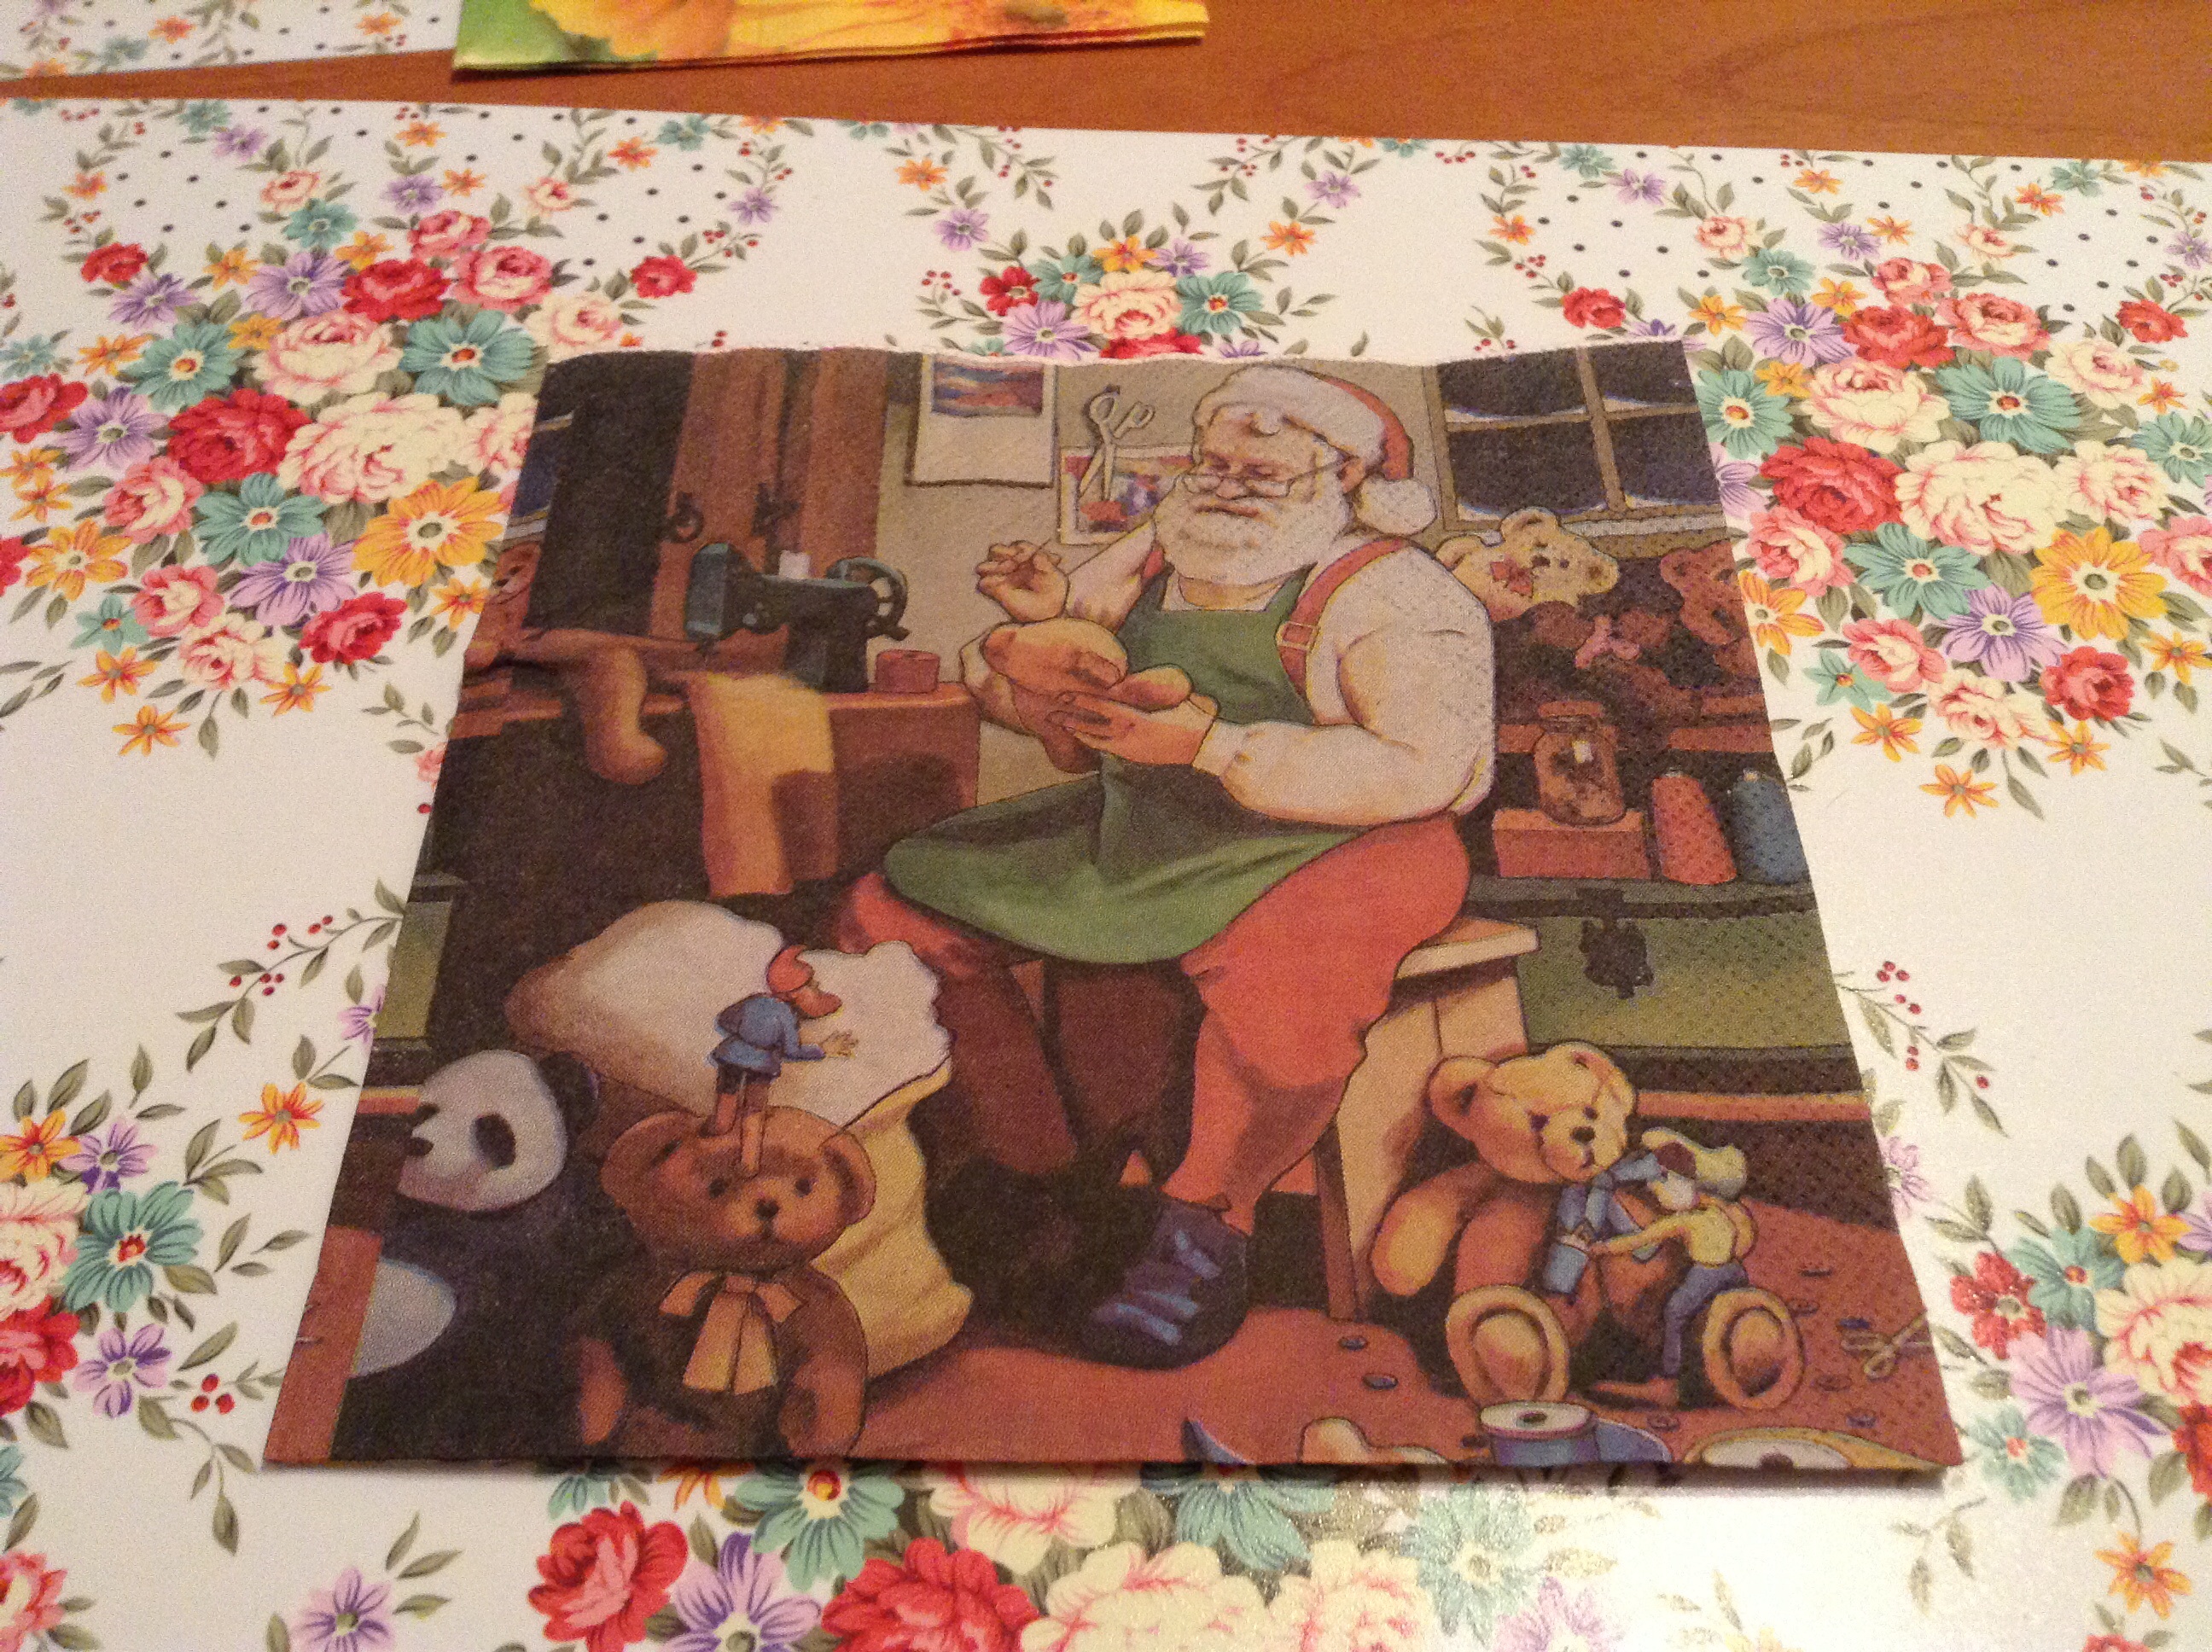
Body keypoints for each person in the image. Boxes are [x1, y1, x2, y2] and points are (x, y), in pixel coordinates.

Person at [835, 365, 1495, 1368]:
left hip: (1357, 838)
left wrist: (1213, 747)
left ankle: (1205, 1226)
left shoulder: (1395, 592)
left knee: (1284, 983)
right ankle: (1039, 1173)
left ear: (1346, 472)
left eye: (1263, 465)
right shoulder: (1155, 550)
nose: (1228, 482)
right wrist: (1035, 652)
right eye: (1215, 458)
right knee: (895, 910)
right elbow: (1050, 693)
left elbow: (1430, 766)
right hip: (1159, 827)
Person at [1585, 1133, 1755, 1408]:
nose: (1655, 1189)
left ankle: (1669, 1379)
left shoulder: (1685, 1220)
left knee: (1675, 1311)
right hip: (1733, 1271)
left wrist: (1603, 1248)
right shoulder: (1716, 1210)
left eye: (1662, 1180)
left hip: (1707, 1274)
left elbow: (1640, 1240)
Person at [709, 945, 854, 1163]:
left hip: (731, 1055)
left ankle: (719, 1128)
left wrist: (745, 1033)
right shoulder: (787, 1016)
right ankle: (749, 1162)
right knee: (754, 1110)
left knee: (727, 1094)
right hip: (763, 1065)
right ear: (794, 992)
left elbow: (724, 1020)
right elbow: (792, 1051)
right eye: (811, 985)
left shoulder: (755, 1000)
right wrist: (823, 1049)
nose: (817, 987)